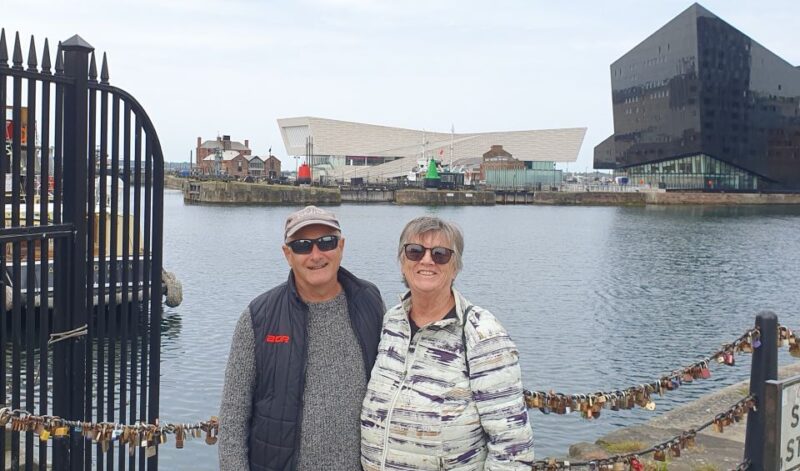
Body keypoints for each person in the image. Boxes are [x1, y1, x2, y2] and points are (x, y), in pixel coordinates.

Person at [219, 205, 385, 470]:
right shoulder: (258, 317)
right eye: (303, 246)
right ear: (287, 254)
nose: (316, 255)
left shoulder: (369, 302)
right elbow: (232, 419)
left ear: (341, 246)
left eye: (326, 242)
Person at [361, 216, 534, 470]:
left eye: (441, 254)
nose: (427, 260)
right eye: (415, 251)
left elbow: (512, 448)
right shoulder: (391, 324)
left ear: (455, 267)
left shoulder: (482, 334)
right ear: (402, 262)